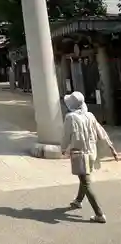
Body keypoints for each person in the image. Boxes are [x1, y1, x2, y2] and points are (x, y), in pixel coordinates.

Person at [61, 91, 118, 224]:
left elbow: (66, 136)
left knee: (86, 182)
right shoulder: (90, 115)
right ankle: (78, 201)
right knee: (84, 176)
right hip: (92, 153)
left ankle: (99, 214)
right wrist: (112, 148)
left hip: (78, 154)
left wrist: (63, 149)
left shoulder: (70, 117)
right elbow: (101, 132)